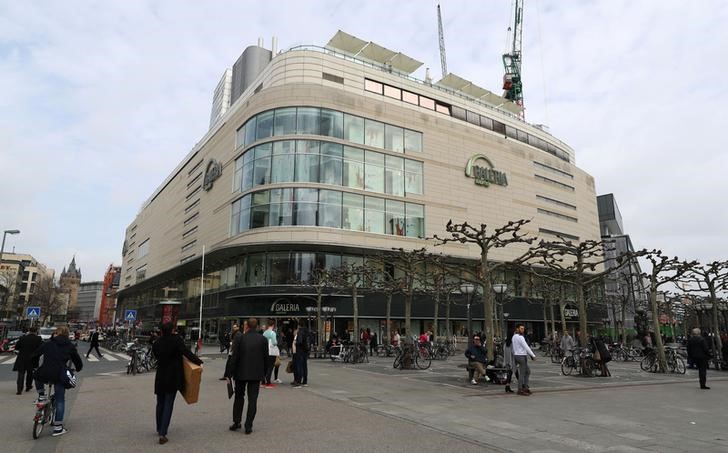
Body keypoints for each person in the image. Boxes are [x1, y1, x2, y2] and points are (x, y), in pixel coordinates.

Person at [152, 322, 203, 444]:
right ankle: (163, 434)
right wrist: (199, 361)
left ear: (161, 331)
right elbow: (186, 352)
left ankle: (159, 428)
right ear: (173, 330)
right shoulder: (176, 340)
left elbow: (155, 356)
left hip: (160, 375)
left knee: (160, 403)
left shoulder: (157, 342)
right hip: (173, 376)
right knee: (168, 403)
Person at [32, 326, 83, 436]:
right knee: (60, 400)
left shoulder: (48, 343)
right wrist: (78, 368)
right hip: (60, 374)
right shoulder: (70, 345)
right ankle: (58, 428)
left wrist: (35, 366)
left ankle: (41, 395)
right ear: (67, 334)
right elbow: (77, 361)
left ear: (55, 334)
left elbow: (35, 355)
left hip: (45, 372)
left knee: (37, 374)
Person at [225, 318, 267, 434]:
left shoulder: (240, 338)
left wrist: (229, 373)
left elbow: (234, 357)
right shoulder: (263, 339)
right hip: (256, 373)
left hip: (241, 372)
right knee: (253, 399)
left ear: (247, 326)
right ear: (257, 326)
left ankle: (237, 421)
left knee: (239, 397)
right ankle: (248, 425)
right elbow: (266, 358)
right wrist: (264, 374)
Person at [13, 326, 42, 395]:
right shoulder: (38, 339)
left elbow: (17, 347)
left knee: (21, 373)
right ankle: (28, 386)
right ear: (36, 331)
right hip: (33, 358)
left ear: (29, 331)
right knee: (30, 373)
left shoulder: (23, 338)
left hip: (22, 358)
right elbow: (41, 349)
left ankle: (19, 390)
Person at [512, 323, 536, 395]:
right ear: (517, 329)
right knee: (522, 373)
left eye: (523, 328)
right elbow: (526, 347)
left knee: (527, 371)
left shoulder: (514, 337)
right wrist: (533, 355)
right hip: (521, 356)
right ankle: (520, 389)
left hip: (516, 355)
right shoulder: (520, 337)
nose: (522, 330)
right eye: (521, 328)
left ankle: (525, 387)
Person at [262, 320, 279, 388]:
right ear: (273, 325)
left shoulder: (264, 333)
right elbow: (274, 342)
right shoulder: (273, 333)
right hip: (271, 352)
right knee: (270, 366)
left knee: (265, 366)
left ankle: (263, 381)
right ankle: (268, 382)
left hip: (265, 351)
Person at [503, 329, 515, 393]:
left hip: (506, 360)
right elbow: (513, 351)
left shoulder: (506, 343)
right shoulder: (511, 343)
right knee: (514, 373)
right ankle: (522, 386)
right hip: (511, 360)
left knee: (509, 373)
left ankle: (507, 386)